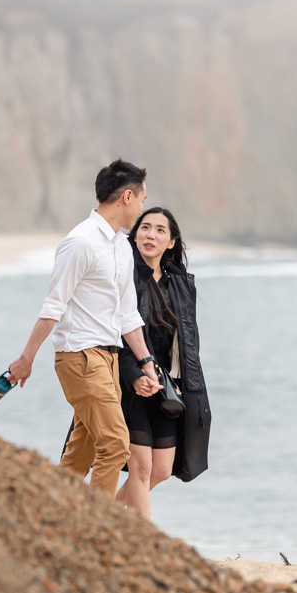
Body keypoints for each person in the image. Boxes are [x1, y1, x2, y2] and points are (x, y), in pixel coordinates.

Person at [7, 159, 162, 498]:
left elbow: (128, 315)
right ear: (126, 197)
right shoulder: (80, 242)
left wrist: (147, 363)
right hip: (79, 358)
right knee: (116, 446)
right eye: (141, 199)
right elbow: (53, 305)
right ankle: (96, 530)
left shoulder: (122, 245)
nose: (141, 209)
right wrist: (26, 358)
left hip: (108, 360)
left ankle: (46, 512)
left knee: (84, 451)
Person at [116, 207, 212, 518]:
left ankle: (97, 515)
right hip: (132, 386)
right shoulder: (124, 276)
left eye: (160, 230)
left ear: (171, 242)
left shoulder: (181, 285)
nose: (151, 235)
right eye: (145, 227)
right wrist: (133, 375)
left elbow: (188, 343)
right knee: (141, 468)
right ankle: (142, 542)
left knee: (160, 470)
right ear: (135, 235)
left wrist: (188, 386)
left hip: (166, 389)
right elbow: (114, 332)